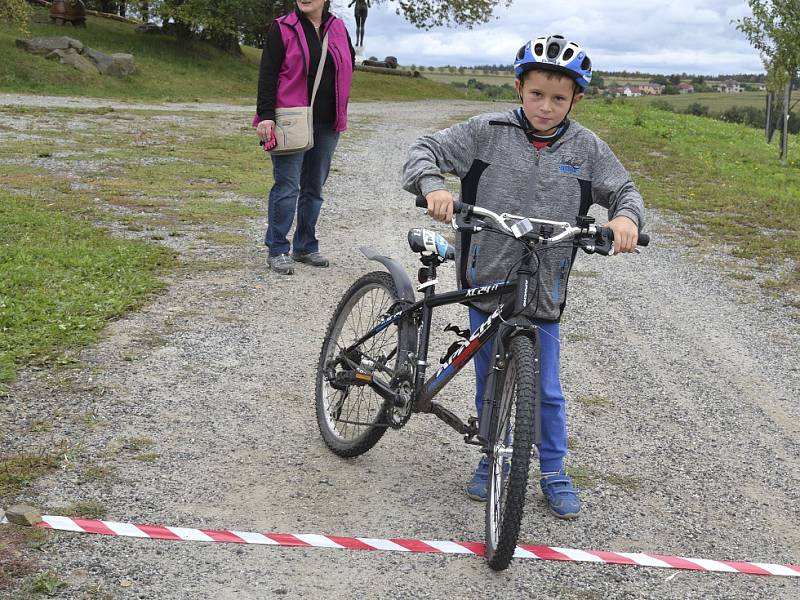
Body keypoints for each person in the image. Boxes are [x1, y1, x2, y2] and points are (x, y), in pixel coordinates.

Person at [401, 34, 645, 519]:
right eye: (537, 94)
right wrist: (434, 187)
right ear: (519, 89)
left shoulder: (587, 149)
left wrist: (626, 220)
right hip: (486, 274)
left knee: (546, 389)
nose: (546, 107)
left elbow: (624, 190)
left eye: (559, 98)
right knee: (488, 376)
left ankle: (553, 469)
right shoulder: (486, 131)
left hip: (543, 286)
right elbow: (423, 150)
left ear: (576, 98)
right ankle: (492, 456)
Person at [255, 0, 355, 275]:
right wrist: (266, 115)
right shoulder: (282, 28)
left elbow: (348, 66)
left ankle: (305, 246)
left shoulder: (338, 28)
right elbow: (268, 73)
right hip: (290, 120)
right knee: (287, 186)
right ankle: (277, 249)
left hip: (327, 122)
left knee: (314, 188)